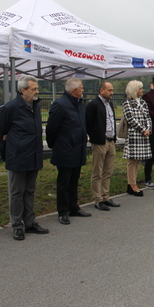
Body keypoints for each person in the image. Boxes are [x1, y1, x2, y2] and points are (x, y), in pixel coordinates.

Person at [0, 75, 48, 240]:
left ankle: (30, 222)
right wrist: (8, 154)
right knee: (17, 192)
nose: (37, 92)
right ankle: (17, 225)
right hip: (18, 157)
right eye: (33, 89)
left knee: (30, 191)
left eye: (37, 89)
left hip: (34, 155)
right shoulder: (10, 108)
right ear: (23, 90)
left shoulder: (36, 106)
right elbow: (1, 133)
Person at [46, 78, 91, 225]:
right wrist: (55, 145)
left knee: (74, 180)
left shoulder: (79, 104)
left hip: (78, 149)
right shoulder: (60, 105)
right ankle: (63, 211)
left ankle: (73, 207)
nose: (83, 90)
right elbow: (51, 128)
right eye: (82, 88)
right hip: (65, 149)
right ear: (74, 90)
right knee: (64, 182)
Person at [85, 81, 121, 211]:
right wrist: (94, 136)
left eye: (112, 90)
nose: (112, 93)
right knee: (97, 171)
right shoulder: (94, 105)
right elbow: (88, 123)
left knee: (108, 171)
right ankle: (97, 198)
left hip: (111, 141)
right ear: (101, 91)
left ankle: (105, 196)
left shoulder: (109, 104)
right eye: (109, 90)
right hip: (100, 142)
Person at [123, 80, 152, 196]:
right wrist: (142, 129)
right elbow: (131, 119)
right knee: (132, 160)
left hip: (144, 135)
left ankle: (132, 183)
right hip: (134, 135)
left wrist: (148, 129)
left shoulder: (143, 103)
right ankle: (132, 183)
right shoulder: (127, 103)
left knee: (138, 160)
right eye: (140, 88)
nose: (142, 90)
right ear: (134, 90)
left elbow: (148, 117)